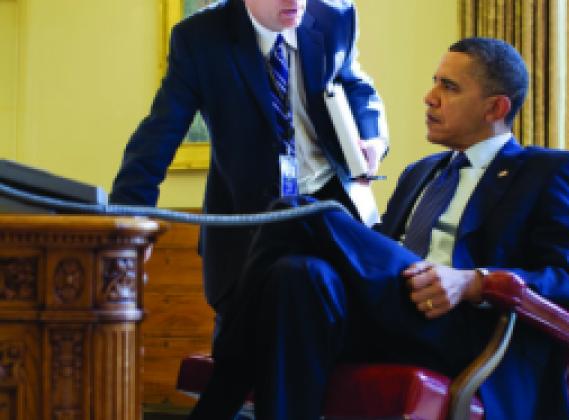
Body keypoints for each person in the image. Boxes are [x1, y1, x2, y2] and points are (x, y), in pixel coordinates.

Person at [188, 37, 569, 420]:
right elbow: (380, 259)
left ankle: (224, 387)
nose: (430, 97)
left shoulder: (551, 171)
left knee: (304, 213)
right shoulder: (420, 173)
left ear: (496, 108)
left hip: (463, 328)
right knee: (297, 274)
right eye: (434, 82)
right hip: (390, 316)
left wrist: (472, 282)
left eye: (450, 88)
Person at [109, 0, 388, 320]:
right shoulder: (199, 38)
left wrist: (374, 141)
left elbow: (355, 84)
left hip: (332, 209)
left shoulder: (335, 17)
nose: (295, 1)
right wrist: (126, 229)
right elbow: (157, 138)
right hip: (248, 232)